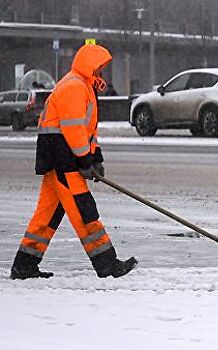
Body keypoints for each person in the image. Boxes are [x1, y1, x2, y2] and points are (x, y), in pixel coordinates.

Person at [9, 44, 138, 280]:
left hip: (62, 158)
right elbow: (73, 130)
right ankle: (107, 265)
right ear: (89, 65)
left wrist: (95, 157)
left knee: (46, 215)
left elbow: (88, 132)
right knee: (84, 210)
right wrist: (84, 159)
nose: (101, 72)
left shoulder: (84, 87)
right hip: (63, 159)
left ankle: (24, 265)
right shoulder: (74, 86)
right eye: (99, 67)